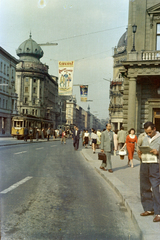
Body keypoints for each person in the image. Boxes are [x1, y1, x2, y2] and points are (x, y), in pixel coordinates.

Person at [138, 121, 160, 222]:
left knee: (155, 187)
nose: (148, 134)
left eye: (150, 132)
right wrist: (139, 154)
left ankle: (158, 212)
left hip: (155, 165)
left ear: (154, 129)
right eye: (147, 133)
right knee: (144, 186)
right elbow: (141, 150)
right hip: (145, 164)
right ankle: (148, 208)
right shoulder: (144, 138)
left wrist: (158, 152)